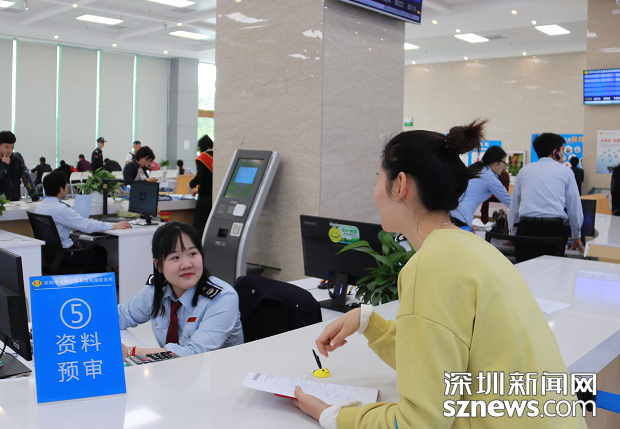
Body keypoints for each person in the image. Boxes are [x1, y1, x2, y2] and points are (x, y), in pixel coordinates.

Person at [291, 121, 587, 429]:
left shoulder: (430, 265)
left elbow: (420, 422)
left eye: (378, 178)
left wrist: (332, 415)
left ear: (400, 184)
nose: (375, 190)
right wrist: (369, 323)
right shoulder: (472, 248)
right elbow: (438, 364)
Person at [118, 221, 244, 357]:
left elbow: (194, 354)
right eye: (175, 257)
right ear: (158, 265)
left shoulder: (223, 298)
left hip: (218, 368)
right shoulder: (157, 290)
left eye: (192, 254)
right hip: (171, 366)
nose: (186, 264)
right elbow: (122, 316)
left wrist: (132, 352)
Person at [508, 133, 584, 260]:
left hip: (525, 229)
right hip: (553, 231)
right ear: (555, 152)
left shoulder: (524, 171)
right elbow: (574, 207)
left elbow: (514, 206)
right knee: (552, 270)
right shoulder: (566, 172)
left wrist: (512, 234)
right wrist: (577, 236)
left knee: (524, 270)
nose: (563, 155)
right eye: (562, 150)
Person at [35, 171, 130, 270]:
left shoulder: (41, 206)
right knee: (100, 254)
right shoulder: (61, 209)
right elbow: (87, 225)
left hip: (50, 257)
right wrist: (114, 226)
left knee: (93, 249)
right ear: (61, 189)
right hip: (65, 258)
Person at [450, 145, 511, 231]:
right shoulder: (489, 177)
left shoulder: (478, 170)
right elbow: (509, 201)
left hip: (453, 213)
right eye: (503, 162)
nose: (504, 166)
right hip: (460, 216)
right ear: (495, 162)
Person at [0, 131, 40, 201]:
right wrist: (4, 165)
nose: (9, 150)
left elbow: (26, 177)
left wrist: (35, 197)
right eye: (6, 147)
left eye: (12, 146)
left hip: (15, 201)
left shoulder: (17, 158)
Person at [189, 135, 214, 237]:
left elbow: (200, 177)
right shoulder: (218, 157)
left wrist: (192, 184)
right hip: (214, 197)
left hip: (204, 199)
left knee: (200, 227)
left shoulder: (203, 158)